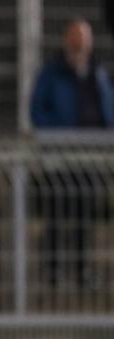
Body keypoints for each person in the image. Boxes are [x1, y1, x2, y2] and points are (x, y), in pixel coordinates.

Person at [30, 18, 113, 288]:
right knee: (55, 214)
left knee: (83, 217)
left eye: (84, 39)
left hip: (89, 156)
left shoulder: (97, 74)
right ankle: (52, 273)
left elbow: (107, 108)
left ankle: (82, 272)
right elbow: (37, 110)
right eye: (75, 38)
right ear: (67, 40)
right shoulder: (52, 73)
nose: (80, 44)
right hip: (59, 156)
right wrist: (56, 134)